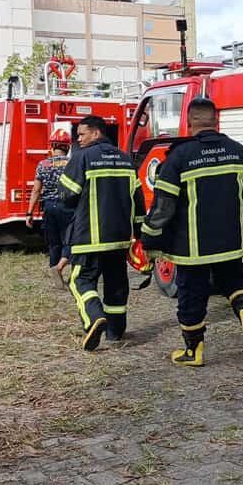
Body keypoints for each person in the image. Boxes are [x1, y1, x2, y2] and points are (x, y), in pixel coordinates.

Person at [140, 97, 243, 367]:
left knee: (192, 296)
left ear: (189, 123)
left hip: (192, 247)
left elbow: (163, 207)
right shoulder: (239, 152)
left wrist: (149, 237)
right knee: (235, 282)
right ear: (215, 120)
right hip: (230, 242)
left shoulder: (179, 157)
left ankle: (194, 351)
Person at [59, 114, 145, 351]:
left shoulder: (82, 157)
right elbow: (138, 202)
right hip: (120, 239)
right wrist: (139, 235)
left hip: (89, 238)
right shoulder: (127, 160)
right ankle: (115, 332)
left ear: (96, 133)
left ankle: (94, 317)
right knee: (116, 284)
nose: (78, 140)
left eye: (82, 134)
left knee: (80, 281)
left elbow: (66, 195)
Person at [26, 129, 73, 288]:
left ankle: (56, 275)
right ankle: (71, 273)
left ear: (52, 146)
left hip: (49, 207)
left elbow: (36, 190)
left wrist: (29, 212)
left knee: (54, 244)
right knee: (71, 240)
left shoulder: (43, 164)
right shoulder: (72, 163)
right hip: (68, 207)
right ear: (68, 146)